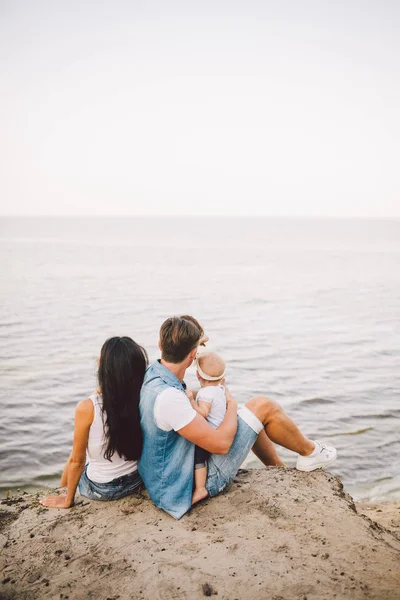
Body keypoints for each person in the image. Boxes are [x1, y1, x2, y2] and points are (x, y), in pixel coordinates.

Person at [138, 315, 337, 520]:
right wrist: (231, 404)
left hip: (165, 475)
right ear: (193, 354)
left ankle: (279, 469)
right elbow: (221, 445)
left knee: (247, 414)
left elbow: (183, 398)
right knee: (263, 406)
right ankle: (311, 452)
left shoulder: (154, 374)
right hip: (184, 485)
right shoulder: (170, 399)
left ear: (160, 344)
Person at [41, 336, 148, 508]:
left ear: (104, 368)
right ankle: (61, 489)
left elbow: (78, 461)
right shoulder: (142, 396)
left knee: (75, 454)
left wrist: (68, 499)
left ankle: (61, 490)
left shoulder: (87, 407)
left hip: (103, 488)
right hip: (136, 480)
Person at [187, 351, 228, 504]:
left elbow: (203, 413)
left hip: (211, 436)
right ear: (222, 379)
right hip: (222, 430)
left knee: (199, 457)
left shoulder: (205, 394)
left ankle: (200, 488)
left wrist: (191, 400)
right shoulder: (220, 389)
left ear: (198, 376)